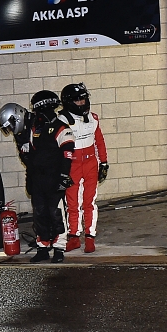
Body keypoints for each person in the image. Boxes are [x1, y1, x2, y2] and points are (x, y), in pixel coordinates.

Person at [7, 90, 74, 263]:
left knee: (56, 214)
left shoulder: (62, 127)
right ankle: (43, 248)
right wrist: (29, 177)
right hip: (37, 179)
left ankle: (59, 249)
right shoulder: (33, 128)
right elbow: (28, 156)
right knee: (39, 214)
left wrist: (63, 176)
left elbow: (67, 154)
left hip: (55, 178)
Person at [58, 83, 109, 253]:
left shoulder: (93, 118)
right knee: (72, 203)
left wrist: (104, 163)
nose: (81, 102)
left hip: (90, 163)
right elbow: (57, 147)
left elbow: (99, 141)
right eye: (77, 100)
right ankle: (73, 236)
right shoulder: (62, 120)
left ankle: (90, 237)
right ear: (68, 102)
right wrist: (61, 170)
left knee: (90, 202)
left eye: (83, 99)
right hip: (71, 164)